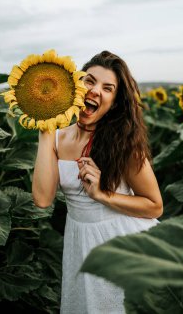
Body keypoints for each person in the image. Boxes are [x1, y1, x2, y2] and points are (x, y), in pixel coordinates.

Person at [32, 50, 163, 314]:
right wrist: (46, 129)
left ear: (114, 102)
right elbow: (43, 199)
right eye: (89, 81)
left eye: (107, 88)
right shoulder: (58, 139)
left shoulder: (124, 144)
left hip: (124, 244)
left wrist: (104, 194)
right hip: (80, 241)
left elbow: (155, 206)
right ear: (75, 85)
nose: (95, 91)